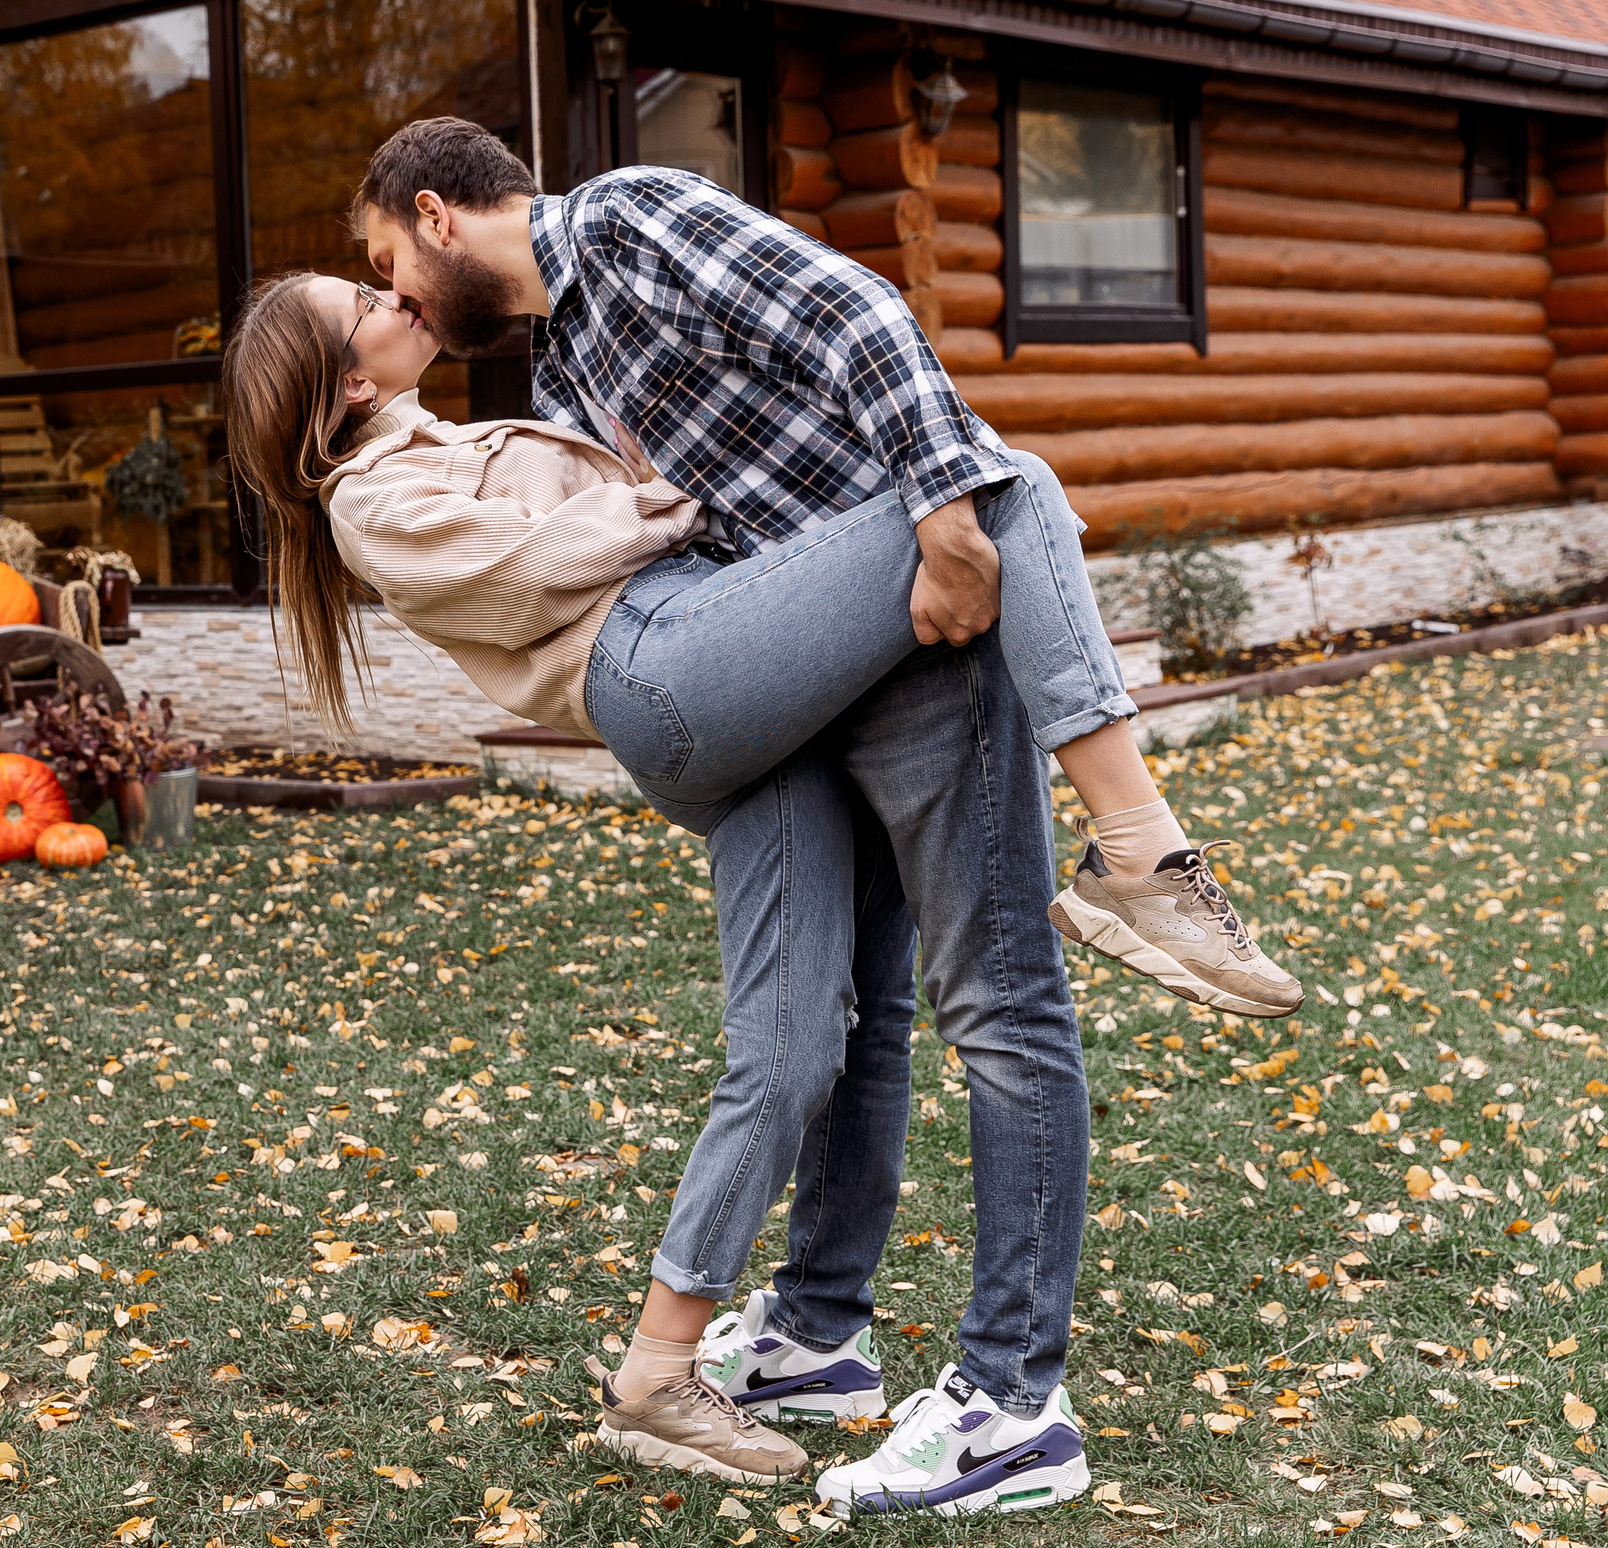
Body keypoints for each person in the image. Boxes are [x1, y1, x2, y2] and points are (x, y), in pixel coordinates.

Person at [219, 143, 1298, 1512]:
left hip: (839, 656)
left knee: (831, 1029)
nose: (395, 293)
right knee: (1008, 486)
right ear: (352, 379)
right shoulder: (436, 454)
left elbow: (859, 321)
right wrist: (682, 507)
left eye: (379, 264)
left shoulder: (596, 275)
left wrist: (914, 518)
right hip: (711, 666)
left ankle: (777, 1346)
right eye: (369, 294)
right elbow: (567, 556)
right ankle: (1140, 852)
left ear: (436, 217)